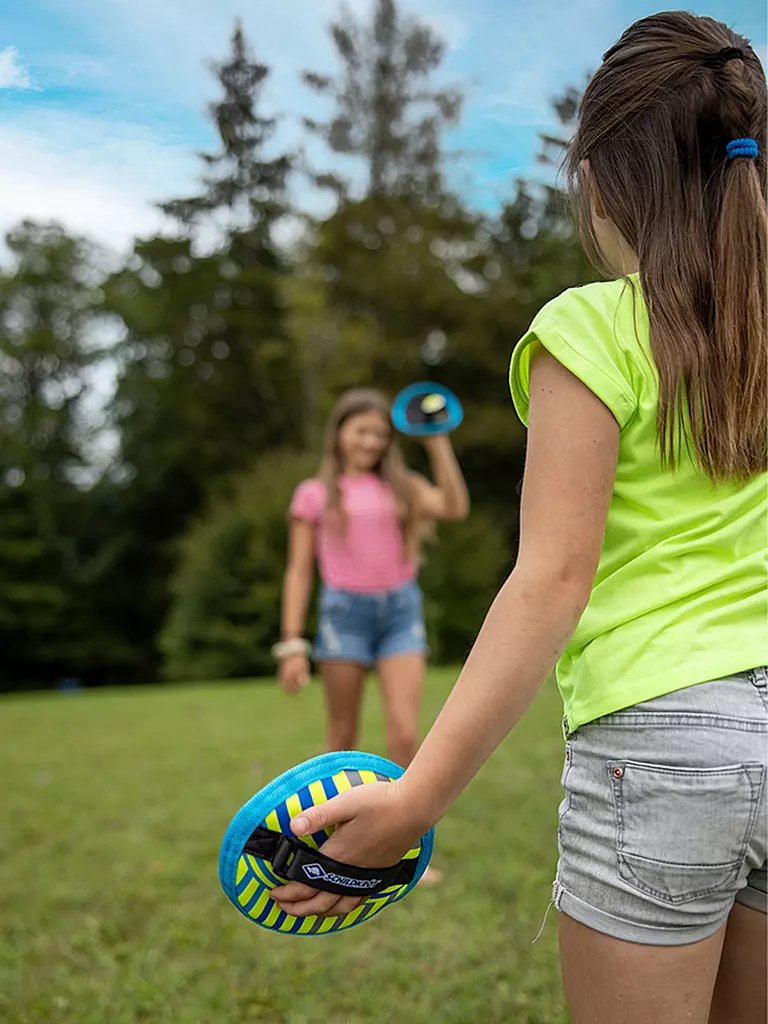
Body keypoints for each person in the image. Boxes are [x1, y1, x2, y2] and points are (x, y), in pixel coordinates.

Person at [271, 13, 768, 1024]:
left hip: (665, 738)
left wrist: (416, 799)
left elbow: (551, 580)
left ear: (597, 179)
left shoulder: (588, 327)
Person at [275, 386, 469, 766]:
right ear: (339, 434)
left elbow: (454, 507)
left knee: (405, 736)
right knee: (342, 740)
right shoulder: (313, 494)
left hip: (400, 613)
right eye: (361, 431)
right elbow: (298, 572)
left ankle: (407, 808)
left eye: (379, 434)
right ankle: (341, 806)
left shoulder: (403, 487)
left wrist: (436, 440)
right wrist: (292, 644)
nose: (370, 442)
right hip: (343, 616)